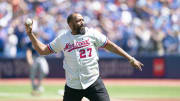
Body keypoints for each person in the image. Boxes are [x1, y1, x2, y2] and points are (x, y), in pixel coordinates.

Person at [25, 12, 143, 101]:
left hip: (93, 82)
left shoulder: (92, 33)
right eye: (78, 21)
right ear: (70, 24)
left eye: (82, 20)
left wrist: (130, 58)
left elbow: (111, 46)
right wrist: (30, 35)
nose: (82, 22)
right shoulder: (63, 38)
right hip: (73, 86)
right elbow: (43, 50)